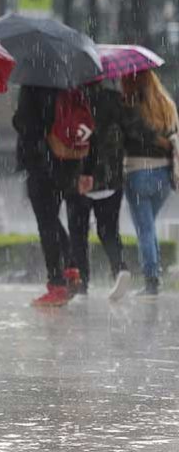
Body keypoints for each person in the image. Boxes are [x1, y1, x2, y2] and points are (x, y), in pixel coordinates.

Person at [12, 85, 84, 307]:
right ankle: (71, 268)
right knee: (51, 217)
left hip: (41, 162)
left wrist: (18, 117)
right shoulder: (69, 83)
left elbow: (26, 123)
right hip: (66, 162)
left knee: (46, 223)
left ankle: (56, 283)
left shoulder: (33, 85)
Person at [64, 82, 135, 300]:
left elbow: (72, 134)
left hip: (77, 175)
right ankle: (120, 268)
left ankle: (83, 282)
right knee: (109, 230)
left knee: (78, 233)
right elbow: (129, 136)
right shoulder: (116, 99)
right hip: (110, 178)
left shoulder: (71, 98)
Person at [120, 71, 177, 296]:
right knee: (149, 226)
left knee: (144, 228)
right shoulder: (166, 105)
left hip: (138, 173)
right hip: (164, 176)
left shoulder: (131, 108)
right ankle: (155, 274)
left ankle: (152, 280)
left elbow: (129, 137)